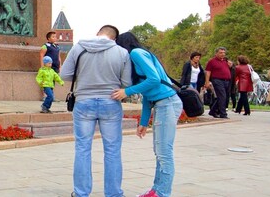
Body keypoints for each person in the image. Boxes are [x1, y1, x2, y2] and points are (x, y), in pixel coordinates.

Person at [59, 24, 132, 197]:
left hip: (83, 102)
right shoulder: (122, 52)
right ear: (114, 38)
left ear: (98, 33)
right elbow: (127, 84)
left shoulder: (79, 47)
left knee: (83, 148)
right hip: (111, 102)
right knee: (112, 150)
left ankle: (81, 192)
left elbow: (64, 75)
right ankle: (114, 193)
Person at [112, 32, 182, 197]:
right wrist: (143, 122)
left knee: (164, 152)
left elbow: (154, 79)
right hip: (162, 104)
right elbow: (148, 95)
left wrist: (126, 91)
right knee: (159, 151)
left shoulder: (136, 53)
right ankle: (156, 190)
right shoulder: (139, 56)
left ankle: (162, 193)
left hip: (167, 103)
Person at [202, 47, 232, 118]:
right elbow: (208, 72)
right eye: (221, 53)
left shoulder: (225, 61)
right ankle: (223, 113)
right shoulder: (212, 61)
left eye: (224, 53)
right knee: (222, 96)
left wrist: (230, 66)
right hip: (217, 80)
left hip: (226, 81)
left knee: (223, 97)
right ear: (216, 53)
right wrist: (207, 82)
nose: (223, 54)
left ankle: (213, 111)